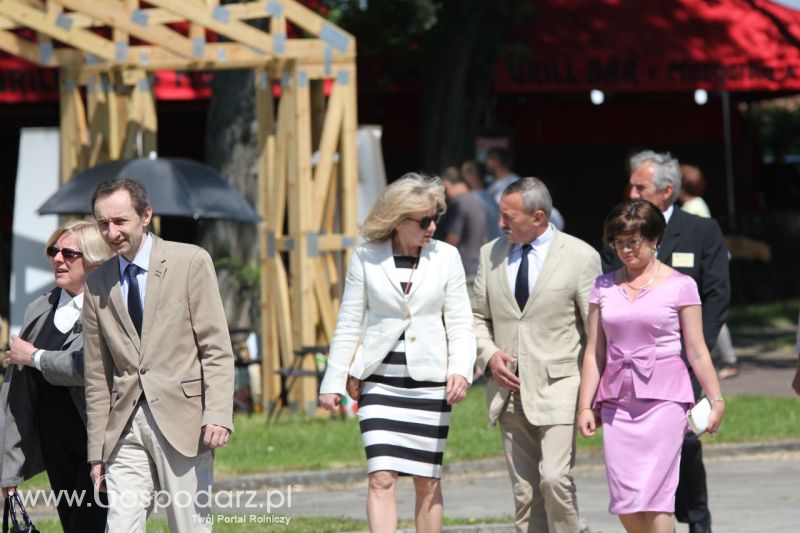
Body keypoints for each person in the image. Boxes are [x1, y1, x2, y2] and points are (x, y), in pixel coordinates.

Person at [318, 173, 476, 533]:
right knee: (381, 478)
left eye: (436, 217)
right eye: (423, 220)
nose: (432, 226)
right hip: (379, 384)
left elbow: (461, 323)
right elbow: (349, 322)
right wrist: (333, 380)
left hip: (430, 385)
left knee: (427, 480)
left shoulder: (446, 257)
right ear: (398, 219)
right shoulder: (366, 256)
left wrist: (461, 370)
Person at [83, 179, 234, 532]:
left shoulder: (191, 261)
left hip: (184, 421)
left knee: (188, 525)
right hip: (124, 429)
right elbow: (96, 375)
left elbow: (216, 347)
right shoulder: (97, 283)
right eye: (103, 223)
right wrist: (96, 451)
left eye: (120, 221)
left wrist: (217, 413)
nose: (111, 231)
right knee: (120, 525)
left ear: (146, 215)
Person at [577, 199, 726, 533]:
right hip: (617, 403)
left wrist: (716, 399)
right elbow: (594, 352)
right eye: (618, 242)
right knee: (626, 500)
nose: (626, 250)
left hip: (665, 401)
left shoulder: (681, 285)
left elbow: (697, 350)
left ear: (655, 239)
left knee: (657, 496)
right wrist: (585, 406)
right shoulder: (602, 286)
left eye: (634, 241)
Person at [473, 177, 601, 532]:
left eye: (508, 217)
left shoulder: (580, 256)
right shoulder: (490, 254)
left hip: (562, 386)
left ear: (539, 217)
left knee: (555, 478)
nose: (500, 224)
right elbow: (477, 316)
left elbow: (596, 333)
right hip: (509, 390)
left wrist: (594, 396)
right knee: (525, 494)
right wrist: (489, 355)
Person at [1, 219, 114, 532]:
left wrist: (34, 357)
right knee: (71, 523)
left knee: (89, 525)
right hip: (54, 442)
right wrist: (8, 472)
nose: (58, 259)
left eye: (69, 253)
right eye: (54, 251)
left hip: (99, 438)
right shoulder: (38, 308)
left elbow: (90, 368)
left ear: (95, 259)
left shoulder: (108, 307)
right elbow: (17, 393)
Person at [679, 164, 738, 379]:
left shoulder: (693, 208)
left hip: (706, 267)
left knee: (711, 314)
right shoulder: (695, 204)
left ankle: (729, 359)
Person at [484, 148, 566, 231]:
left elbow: (554, 219)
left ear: (495, 161)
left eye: (487, 159)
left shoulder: (518, 184)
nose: (485, 163)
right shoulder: (491, 187)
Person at [440, 168, 487, 290]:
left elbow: (453, 239)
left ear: (447, 185)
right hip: (480, 266)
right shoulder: (479, 200)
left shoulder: (459, 203)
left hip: (465, 269)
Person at [461, 159, 502, 240]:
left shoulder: (467, 201)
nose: (462, 181)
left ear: (470, 177)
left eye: (463, 176)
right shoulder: (492, 199)